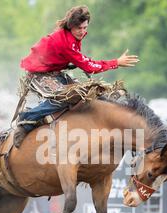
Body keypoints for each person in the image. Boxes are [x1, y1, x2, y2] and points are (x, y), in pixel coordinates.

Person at [14, 5, 139, 148]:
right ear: (71, 26)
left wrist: (68, 61)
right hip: (38, 75)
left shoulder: (71, 36)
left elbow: (75, 57)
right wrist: (116, 62)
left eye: (85, 27)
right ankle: (26, 119)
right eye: (79, 28)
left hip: (54, 72)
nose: (83, 31)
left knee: (84, 93)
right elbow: (89, 66)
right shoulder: (65, 42)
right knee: (65, 97)